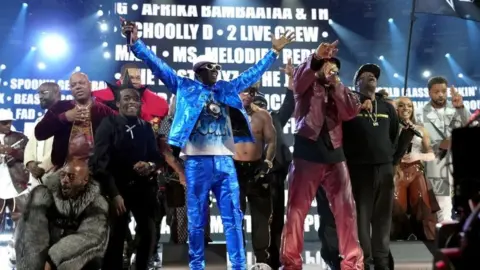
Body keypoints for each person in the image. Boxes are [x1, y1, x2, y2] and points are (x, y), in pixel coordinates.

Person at [121, 17, 295, 270]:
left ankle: (238, 266)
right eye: (210, 67)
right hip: (196, 162)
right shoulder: (185, 86)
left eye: (217, 67)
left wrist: (274, 52)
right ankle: (197, 266)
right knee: (197, 220)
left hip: (225, 162)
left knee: (233, 218)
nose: (215, 70)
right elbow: (158, 66)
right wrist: (136, 44)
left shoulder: (227, 89)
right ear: (198, 70)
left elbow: (252, 74)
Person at [279, 41, 364, 270]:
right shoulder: (305, 85)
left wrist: (335, 83)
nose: (330, 69)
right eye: (326, 66)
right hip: (307, 153)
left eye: (334, 67)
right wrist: (316, 56)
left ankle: (353, 263)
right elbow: (297, 81)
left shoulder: (340, 89)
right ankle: (291, 264)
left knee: (346, 212)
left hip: (335, 156)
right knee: (296, 212)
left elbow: (350, 112)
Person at [89, 75, 165, 270]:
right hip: (117, 190)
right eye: (127, 98)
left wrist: (149, 165)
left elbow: (157, 157)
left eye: (135, 99)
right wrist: (114, 194)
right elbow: (100, 163)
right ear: (117, 102)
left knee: (148, 234)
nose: (132, 102)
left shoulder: (146, 127)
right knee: (116, 237)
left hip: (143, 190)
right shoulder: (108, 124)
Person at [15, 159, 109, 270]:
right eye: (63, 175)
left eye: (71, 176)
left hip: (80, 263)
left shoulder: (96, 203)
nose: (65, 180)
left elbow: (91, 236)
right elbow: (31, 232)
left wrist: (53, 259)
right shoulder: (43, 195)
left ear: (85, 180)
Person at [250, 59, 296, 270]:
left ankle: (275, 259)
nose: (261, 109)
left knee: (277, 218)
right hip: (252, 174)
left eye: (263, 106)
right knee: (258, 220)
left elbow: (290, 102)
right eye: (256, 105)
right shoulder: (244, 120)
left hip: (276, 175)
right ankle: (260, 260)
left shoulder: (275, 118)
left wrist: (290, 77)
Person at [233, 81, 277, 266]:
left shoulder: (263, 115)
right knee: (235, 218)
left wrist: (267, 161)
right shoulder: (227, 114)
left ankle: (261, 259)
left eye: (252, 92)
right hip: (233, 169)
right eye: (244, 91)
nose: (248, 95)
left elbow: (272, 140)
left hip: (257, 169)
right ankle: (239, 260)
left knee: (261, 217)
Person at [34, 72, 116, 169]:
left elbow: (118, 139)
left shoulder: (103, 111)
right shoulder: (60, 108)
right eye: (73, 85)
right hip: (64, 169)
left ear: (90, 85)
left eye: (81, 83)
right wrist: (64, 117)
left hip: (96, 170)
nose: (78, 87)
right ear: (70, 89)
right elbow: (39, 133)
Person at [422, 76, 470, 222]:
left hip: (460, 160)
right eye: (436, 91)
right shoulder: (420, 113)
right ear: (429, 92)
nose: (441, 94)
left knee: (466, 200)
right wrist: (440, 145)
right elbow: (421, 139)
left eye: (443, 91)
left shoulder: (456, 107)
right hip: (437, 162)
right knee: (443, 204)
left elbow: (469, 126)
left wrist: (461, 108)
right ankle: (445, 231)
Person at [391, 97, 440, 241]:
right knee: (395, 206)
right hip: (396, 171)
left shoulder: (421, 129)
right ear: (396, 108)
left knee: (423, 206)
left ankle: (427, 239)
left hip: (416, 171)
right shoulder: (390, 128)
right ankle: (400, 236)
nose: (406, 108)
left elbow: (431, 155)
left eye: (409, 106)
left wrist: (417, 156)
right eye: (401, 105)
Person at [94, 62, 169, 122]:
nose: (135, 81)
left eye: (138, 78)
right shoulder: (103, 98)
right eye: (131, 78)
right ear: (121, 79)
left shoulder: (155, 100)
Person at [24, 82, 61, 187]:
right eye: (38, 93)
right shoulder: (40, 120)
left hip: (56, 176)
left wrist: (43, 167)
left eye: (44, 93)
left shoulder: (66, 117)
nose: (40, 97)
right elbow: (30, 145)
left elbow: (63, 147)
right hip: (36, 178)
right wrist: (30, 163)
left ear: (56, 93)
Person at [0, 109, 29, 232]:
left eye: (9, 122)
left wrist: (14, 154)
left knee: (20, 218)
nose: (8, 125)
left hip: (17, 185)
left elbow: (30, 156)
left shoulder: (20, 137)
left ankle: (17, 247)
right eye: (4, 123)